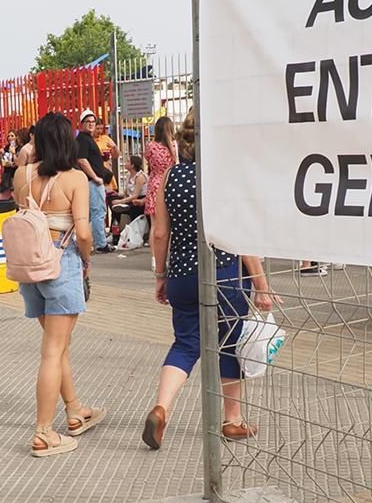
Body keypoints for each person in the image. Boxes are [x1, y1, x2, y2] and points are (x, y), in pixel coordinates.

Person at [142, 112, 272, 451]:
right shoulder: (226, 179)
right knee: (229, 344)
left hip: (182, 275)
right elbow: (241, 239)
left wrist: (161, 275)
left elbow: (159, 232)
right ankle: (232, 421)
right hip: (225, 275)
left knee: (186, 344)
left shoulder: (170, 177)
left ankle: (162, 408)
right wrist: (261, 285)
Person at [12, 112, 105, 457]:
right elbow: (83, 231)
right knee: (53, 351)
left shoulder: (22, 175)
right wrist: (87, 259)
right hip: (61, 264)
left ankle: (75, 411)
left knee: (57, 345)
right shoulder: (74, 179)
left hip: (29, 269)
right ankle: (44, 432)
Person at [75, 112, 112, 253]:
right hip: (92, 182)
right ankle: (101, 244)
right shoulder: (83, 140)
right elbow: (82, 160)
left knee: (90, 213)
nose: (91, 124)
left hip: (92, 181)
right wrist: (95, 177)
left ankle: (91, 240)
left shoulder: (87, 139)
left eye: (93, 121)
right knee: (98, 212)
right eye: (87, 121)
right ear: (81, 123)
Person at [144, 115, 176, 219]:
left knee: (154, 224)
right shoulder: (174, 146)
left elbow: (146, 159)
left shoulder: (151, 146)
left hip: (155, 184)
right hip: (170, 183)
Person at [111, 154, 149, 240]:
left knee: (133, 208)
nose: (125, 163)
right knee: (115, 207)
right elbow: (126, 192)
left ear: (132, 165)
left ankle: (135, 234)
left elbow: (135, 195)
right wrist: (118, 196)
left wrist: (121, 201)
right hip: (131, 198)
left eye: (128, 161)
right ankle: (114, 232)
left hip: (140, 199)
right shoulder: (128, 175)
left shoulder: (140, 177)